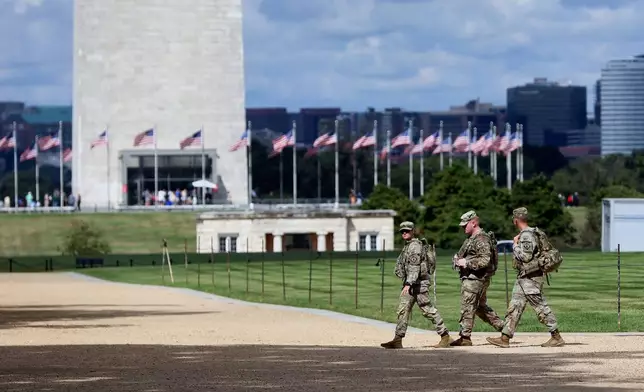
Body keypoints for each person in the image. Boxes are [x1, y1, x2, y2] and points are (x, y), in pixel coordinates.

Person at [486, 207, 565, 348]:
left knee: (540, 307)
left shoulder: (527, 235)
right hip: (523, 278)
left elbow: (526, 257)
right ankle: (505, 337)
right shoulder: (531, 233)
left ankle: (556, 336)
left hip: (531, 278)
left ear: (515, 220)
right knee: (515, 306)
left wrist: (515, 245)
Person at [380, 221, 453, 349]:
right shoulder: (408, 246)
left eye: (407, 230)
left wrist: (408, 283)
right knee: (403, 309)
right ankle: (398, 339)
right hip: (411, 284)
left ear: (413, 231)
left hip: (419, 284)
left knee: (427, 309)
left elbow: (414, 267)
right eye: (402, 231)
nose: (404, 233)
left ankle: (445, 336)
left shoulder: (414, 246)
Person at [451, 210, 504, 346]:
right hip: (472, 278)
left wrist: (466, 263)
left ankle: (465, 338)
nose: (463, 227)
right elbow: (463, 254)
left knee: (467, 306)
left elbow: (485, 260)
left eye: (465, 225)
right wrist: (457, 259)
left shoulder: (481, 239)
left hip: (476, 279)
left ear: (473, 223)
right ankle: (504, 328)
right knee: (480, 307)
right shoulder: (471, 239)